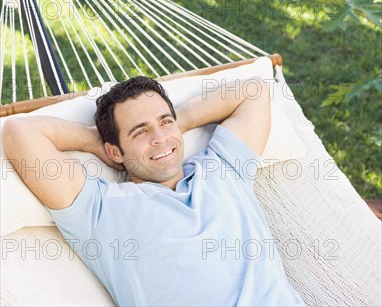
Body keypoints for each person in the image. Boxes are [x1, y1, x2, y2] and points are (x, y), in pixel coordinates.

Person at [3, 75, 305, 307]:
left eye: (165, 122)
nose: (160, 138)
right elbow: (19, 132)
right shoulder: (98, 210)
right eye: (141, 132)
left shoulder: (222, 168)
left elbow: (252, 90)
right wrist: (94, 142)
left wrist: (175, 124)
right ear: (115, 152)